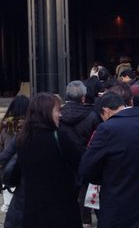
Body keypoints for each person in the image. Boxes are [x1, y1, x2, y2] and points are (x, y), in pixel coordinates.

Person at [79, 92, 139, 228]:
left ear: (106, 111)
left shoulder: (106, 129)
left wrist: (104, 179)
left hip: (118, 204)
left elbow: (86, 168)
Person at [16, 92, 82, 228]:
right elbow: (81, 162)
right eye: (57, 110)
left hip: (33, 209)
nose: (60, 115)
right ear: (46, 113)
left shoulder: (23, 138)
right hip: (62, 209)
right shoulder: (60, 137)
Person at [59, 80, 102, 228]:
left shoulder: (57, 115)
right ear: (83, 97)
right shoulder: (93, 116)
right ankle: (86, 220)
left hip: (64, 159)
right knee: (86, 189)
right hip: (86, 157)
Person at [0, 95, 30, 225]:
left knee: (12, 214)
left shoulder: (5, 128)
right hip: (26, 178)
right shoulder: (31, 128)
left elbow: (0, 159)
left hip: (9, 177)